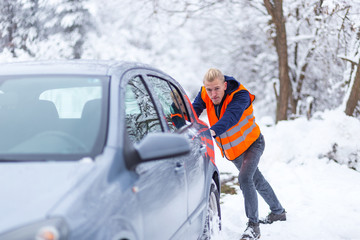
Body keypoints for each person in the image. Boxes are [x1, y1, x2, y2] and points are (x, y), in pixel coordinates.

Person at [192, 68, 286, 240]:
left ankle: (253, 227)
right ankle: (278, 212)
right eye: (209, 90)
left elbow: (231, 117)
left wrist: (211, 132)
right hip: (234, 151)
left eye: (217, 89)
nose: (213, 94)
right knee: (256, 179)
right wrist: (178, 118)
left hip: (253, 145)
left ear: (225, 85)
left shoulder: (239, 95)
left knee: (244, 178)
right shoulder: (206, 92)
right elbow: (193, 111)